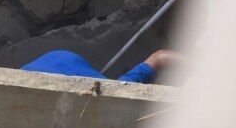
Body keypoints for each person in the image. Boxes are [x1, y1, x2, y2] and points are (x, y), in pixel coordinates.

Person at [21, 49, 180, 84]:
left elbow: (161, 57)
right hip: (58, 58)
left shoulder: (117, 89)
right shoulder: (117, 90)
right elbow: (161, 57)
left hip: (58, 60)